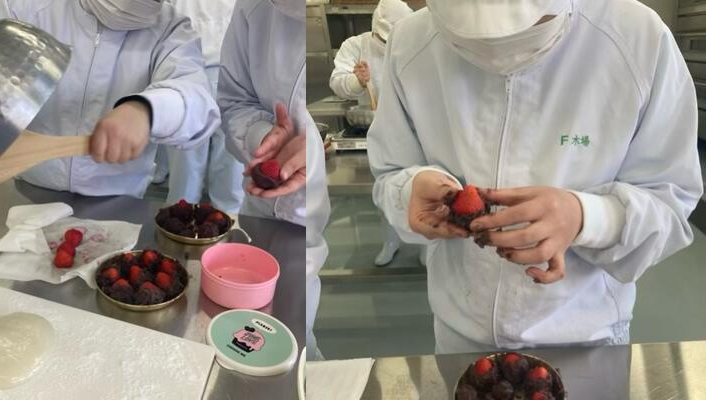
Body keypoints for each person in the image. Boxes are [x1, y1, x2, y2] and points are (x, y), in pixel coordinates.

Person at [368, 0, 703, 354]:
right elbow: (389, 171)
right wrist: (409, 190)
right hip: (459, 332)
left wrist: (587, 217)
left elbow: (671, 199)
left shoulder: (637, 38)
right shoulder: (409, 43)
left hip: (584, 338)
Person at [0, 0, 219, 198]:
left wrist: (147, 110)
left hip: (120, 203)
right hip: (26, 192)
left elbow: (197, 102)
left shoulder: (169, 29)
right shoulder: (27, 9)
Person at [219, 0, 329, 360]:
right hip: (259, 207)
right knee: (243, 326)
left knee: (298, 339)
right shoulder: (253, 8)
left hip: (308, 221)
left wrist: (312, 150)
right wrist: (262, 136)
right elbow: (235, 99)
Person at [329, 0, 411, 266]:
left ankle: (425, 247)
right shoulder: (356, 45)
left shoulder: (415, 43)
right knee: (386, 190)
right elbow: (337, 82)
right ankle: (391, 241)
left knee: (420, 188)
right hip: (376, 132)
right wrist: (356, 81)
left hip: (415, 129)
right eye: (384, 39)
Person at [164, 0, 244, 213]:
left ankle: (185, 219)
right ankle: (223, 221)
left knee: (189, 169)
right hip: (190, 70)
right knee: (227, 169)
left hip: (197, 69)